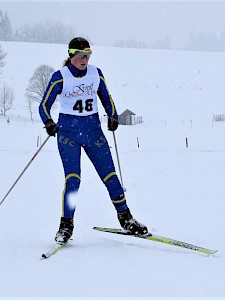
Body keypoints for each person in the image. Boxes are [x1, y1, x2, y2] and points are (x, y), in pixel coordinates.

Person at [39, 37, 148, 244]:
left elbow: (107, 98)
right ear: (71, 55)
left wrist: (113, 115)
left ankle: (126, 218)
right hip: (68, 135)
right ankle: (66, 225)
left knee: (110, 176)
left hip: (93, 132)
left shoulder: (96, 73)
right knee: (73, 179)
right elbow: (44, 105)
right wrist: (49, 123)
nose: (85, 59)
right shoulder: (60, 77)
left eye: (88, 55)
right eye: (81, 55)